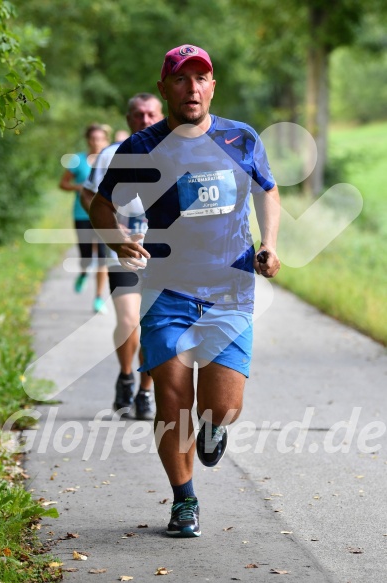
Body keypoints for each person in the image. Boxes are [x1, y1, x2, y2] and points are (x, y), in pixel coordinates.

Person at [89, 45, 281, 537]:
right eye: (181, 79)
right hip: (165, 289)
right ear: (164, 88)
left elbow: (267, 190)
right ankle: (183, 501)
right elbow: (103, 206)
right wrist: (120, 241)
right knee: (173, 402)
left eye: (201, 78)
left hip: (230, 289)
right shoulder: (142, 147)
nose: (192, 88)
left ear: (213, 86)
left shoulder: (242, 138)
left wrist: (271, 244)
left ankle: (216, 429)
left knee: (223, 406)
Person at [81, 94, 164, 420]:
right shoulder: (111, 155)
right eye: (138, 115)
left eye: (151, 114)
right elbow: (89, 194)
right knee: (129, 321)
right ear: (128, 119)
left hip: (164, 256)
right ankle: (126, 374)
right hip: (124, 253)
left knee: (153, 327)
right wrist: (114, 234)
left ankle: (145, 392)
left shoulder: (177, 152)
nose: (145, 120)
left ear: (161, 115)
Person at [59, 123, 110, 313]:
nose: (96, 142)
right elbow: (62, 184)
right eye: (93, 139)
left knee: (103, 258)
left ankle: (98, 298)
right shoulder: (77, 160)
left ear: (105, 140)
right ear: (88, 140)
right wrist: (79, 187)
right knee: (87, 257)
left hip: (105, 215)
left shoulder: (110, 160)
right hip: (82, 214)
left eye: (100, 139)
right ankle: (83, 271)